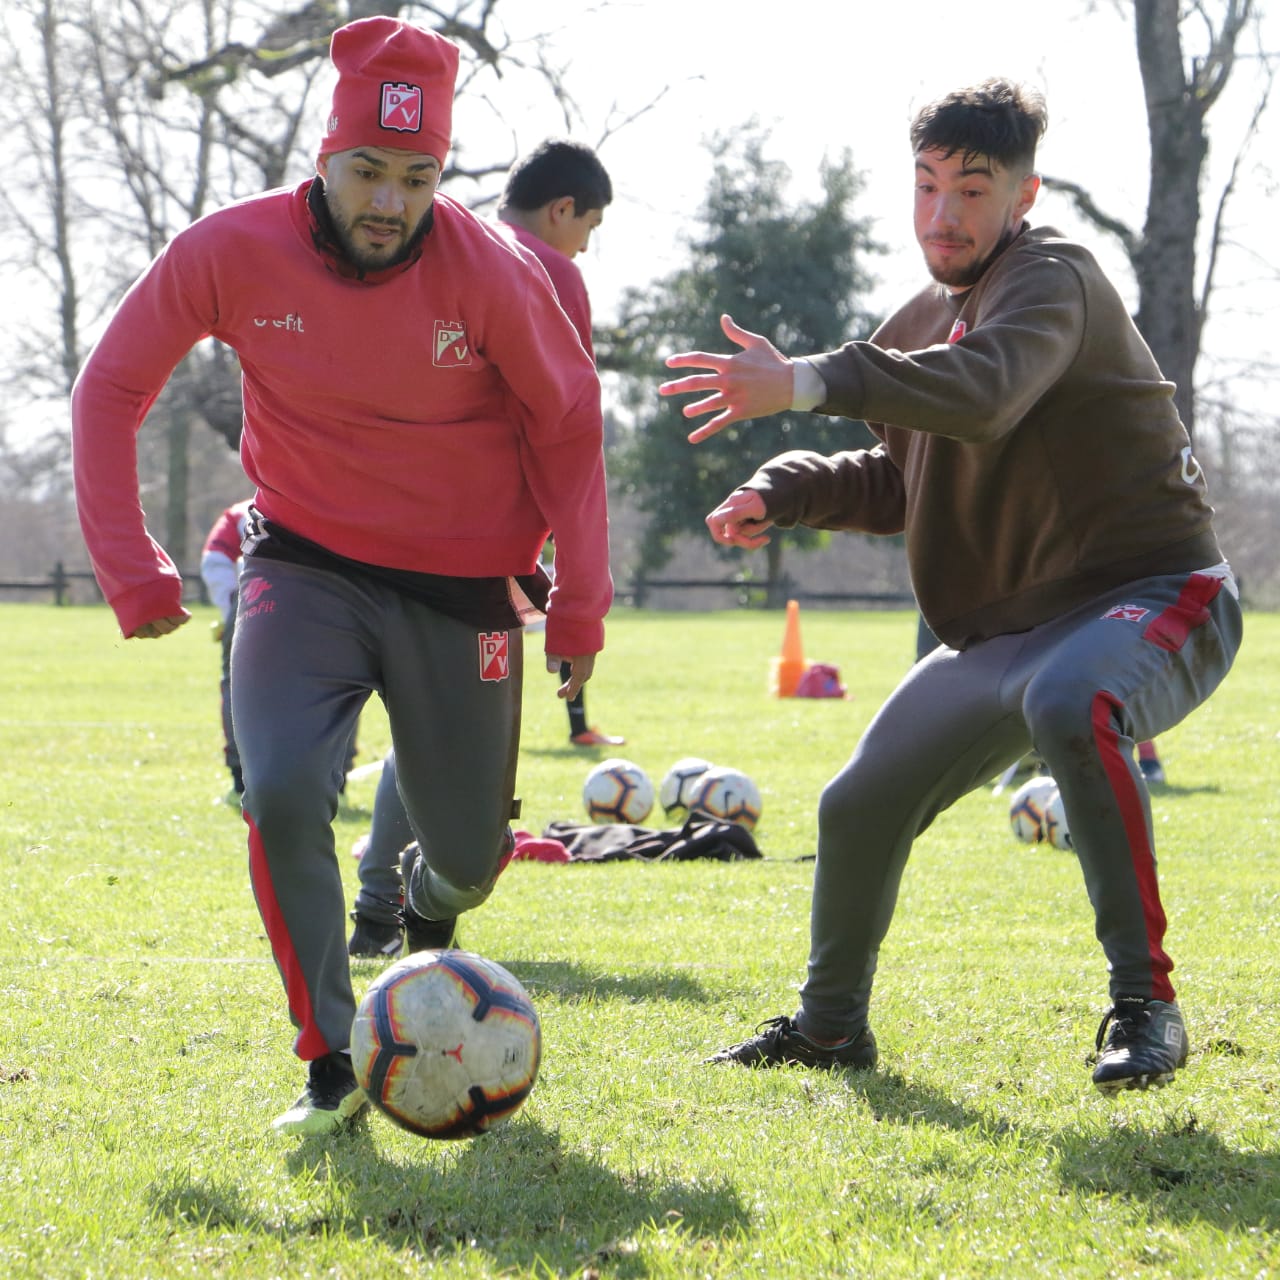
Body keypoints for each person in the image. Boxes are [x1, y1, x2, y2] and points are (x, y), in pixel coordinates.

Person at [71, 15, 613, 1137]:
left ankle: (422, 909)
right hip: (301, 559)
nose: (388, 200)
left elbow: (567, 426)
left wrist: (581, 598)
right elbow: (109, 388)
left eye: (417, 177)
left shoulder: (496, 270)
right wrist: (129, 563)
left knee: (469, 856)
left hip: (463, 584)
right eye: (367, 169)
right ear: (324, 158)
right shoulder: (227, 251)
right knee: (279, 790)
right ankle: (327, 1059)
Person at [659, 78, 1241, 1095]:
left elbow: (981, 398)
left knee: (1075, 701)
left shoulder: (1051, 275)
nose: (941, 212)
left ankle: (1145, 1003)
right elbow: (911, 475)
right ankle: (829, 1027)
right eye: (926, 185)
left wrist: (803, 378)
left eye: (971, 189)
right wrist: (781, 489)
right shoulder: (920, 313)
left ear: (1022, 194)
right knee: (855, 803)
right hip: (1011, 629)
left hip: (1151, 590)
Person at [347, 139, 623, 960]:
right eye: (590, 226)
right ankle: (387, 906)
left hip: (365, 524)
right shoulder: (549, 272)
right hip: (474, 549)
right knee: (449, 738)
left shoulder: (425, 245)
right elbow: (564, 429)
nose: (584, 245)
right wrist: (566, 572)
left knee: (417, 720)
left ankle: (376, 905)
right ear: (563, 209)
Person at [200, 499, 254, 803]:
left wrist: (229, 606)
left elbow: (214, 559)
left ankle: (240, 783)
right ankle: (336, 782)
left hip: (255, 596)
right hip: (334, 601)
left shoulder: (242, 511)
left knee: (238, 684)